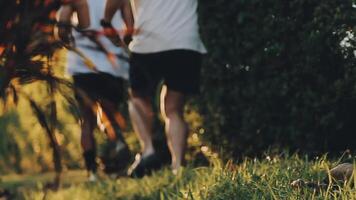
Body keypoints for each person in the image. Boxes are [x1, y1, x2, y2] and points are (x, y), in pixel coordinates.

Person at [104, 0, 207, 177]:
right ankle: (178, 166)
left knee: (137, 97)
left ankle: (149, 149)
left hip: (148, 43)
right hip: (185, 42)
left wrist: (106, 22)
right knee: (174, 110)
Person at [58, 0, 134, 181]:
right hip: (112, 62)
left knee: (87, 120)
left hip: (83, 63)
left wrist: (70, 40)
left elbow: (61, 27)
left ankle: (92, 172)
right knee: (112, 113)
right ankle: (118, 150)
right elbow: (130, 28)